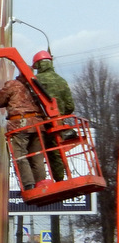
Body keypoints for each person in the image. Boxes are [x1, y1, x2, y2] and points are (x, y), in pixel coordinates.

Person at [0, 77, 48, 190]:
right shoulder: (36, 86)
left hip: (21, 124)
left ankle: (29, 185)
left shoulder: (13, 84)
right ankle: (42, 185)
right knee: (37, 156)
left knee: (20, 155)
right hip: (38, 124)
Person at [32, 50, 75, 181]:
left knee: (36, 151)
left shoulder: (36, 80)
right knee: (56, 150)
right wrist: (61, 114)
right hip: (59, 121)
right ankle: (60, 179)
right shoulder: (61, 80)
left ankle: (42, 182)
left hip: (40, 122)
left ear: (38, 65)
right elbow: (70, 106)